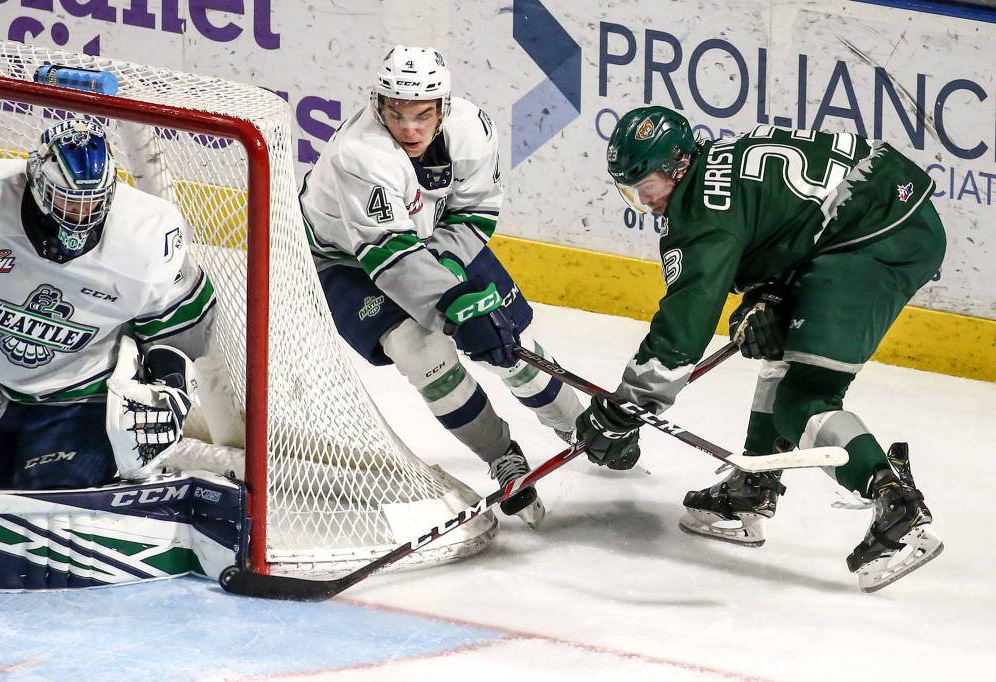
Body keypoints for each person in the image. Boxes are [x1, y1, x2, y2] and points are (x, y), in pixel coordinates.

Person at [576, 106, 945, 591]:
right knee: (777, 345)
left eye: (647, 187)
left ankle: (897, 503)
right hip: (872, 212)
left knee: (804, 400)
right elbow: (796, 215)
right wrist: (769, 295)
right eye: (632, 192)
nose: (646, 203)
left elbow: (682, 333)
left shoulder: (699, 218)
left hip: (875, 238)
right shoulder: (719, 162)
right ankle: (752, 490)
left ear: (678, 167)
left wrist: (626, 407)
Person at [298, 45, 584, 528]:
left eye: (422, 115)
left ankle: (580, 425)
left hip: (431, 240)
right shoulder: (360, 154)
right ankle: (501, 455)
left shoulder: (473, 130)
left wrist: (460, 291)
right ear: (378, 104)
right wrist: (455, 304)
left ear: (443, 108)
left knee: (507, 342)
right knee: (422, 351)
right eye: (397, 114)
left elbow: (475, 212)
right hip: (342, 259)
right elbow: (387, 255)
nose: (409, 128)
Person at [0, 117, 216, 490]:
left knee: (52, 503)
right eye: (66, 200)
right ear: (36, 182)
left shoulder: (144, 240)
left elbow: (179, 329)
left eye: (92, 203)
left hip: (77, 399)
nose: (79, 216)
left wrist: (170, 386)